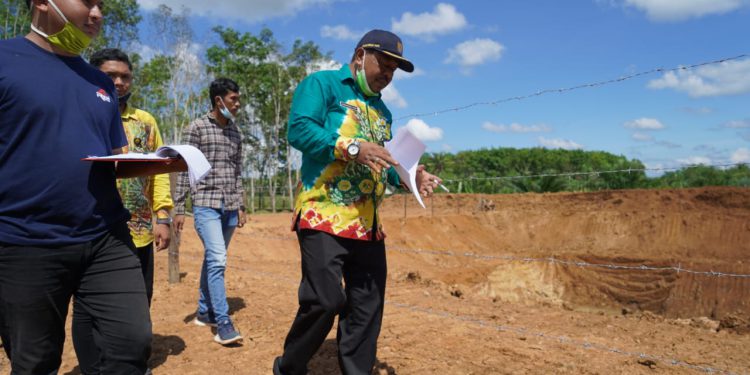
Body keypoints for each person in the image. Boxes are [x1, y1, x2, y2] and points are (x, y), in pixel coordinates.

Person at [0, 1, 185, 373]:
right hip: (24, 240)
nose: (98, 13)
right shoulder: (5, 60)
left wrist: (164, 164)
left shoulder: (99, 83)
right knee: (35, 360)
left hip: (106, 236)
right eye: (88, 1)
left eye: (102, 5)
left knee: (131, 342)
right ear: (41, 2)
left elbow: (117, 159)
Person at [273, 29, 442, 375]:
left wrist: (410, 177)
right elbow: (299, 130)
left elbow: (384, 164)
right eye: (385, 63)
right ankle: (288, 367)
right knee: (325, 301)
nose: (389, 74)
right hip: (323, 213)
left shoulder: (383, 113)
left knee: (366, 309)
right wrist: (352, 147)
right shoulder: (322, 85)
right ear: (361, 54)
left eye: (395, 70)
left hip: (368, 227)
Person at [68, 48, 175, 374]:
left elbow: (158, 172)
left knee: (138, 300)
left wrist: (163, 215)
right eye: (110, 75)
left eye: (124, 76)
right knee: (86, 307)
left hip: (139, 230)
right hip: (90, 227)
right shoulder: (76, 115)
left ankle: (130, 361)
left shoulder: (145, 122)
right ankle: (93, 366)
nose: (118, 82)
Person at [174, 78, 247, 346]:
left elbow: (238, 171)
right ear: (219, 101)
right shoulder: (196, 128)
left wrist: (241, 204)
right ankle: (223, 322)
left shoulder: (236, 132)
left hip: (229, 207)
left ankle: (204, 312)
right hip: (205, 204)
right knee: (218, 259)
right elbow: (184, 168)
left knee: (214, 258)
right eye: (233, 99)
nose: (237, 104)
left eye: (238, 99)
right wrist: (179, 207)